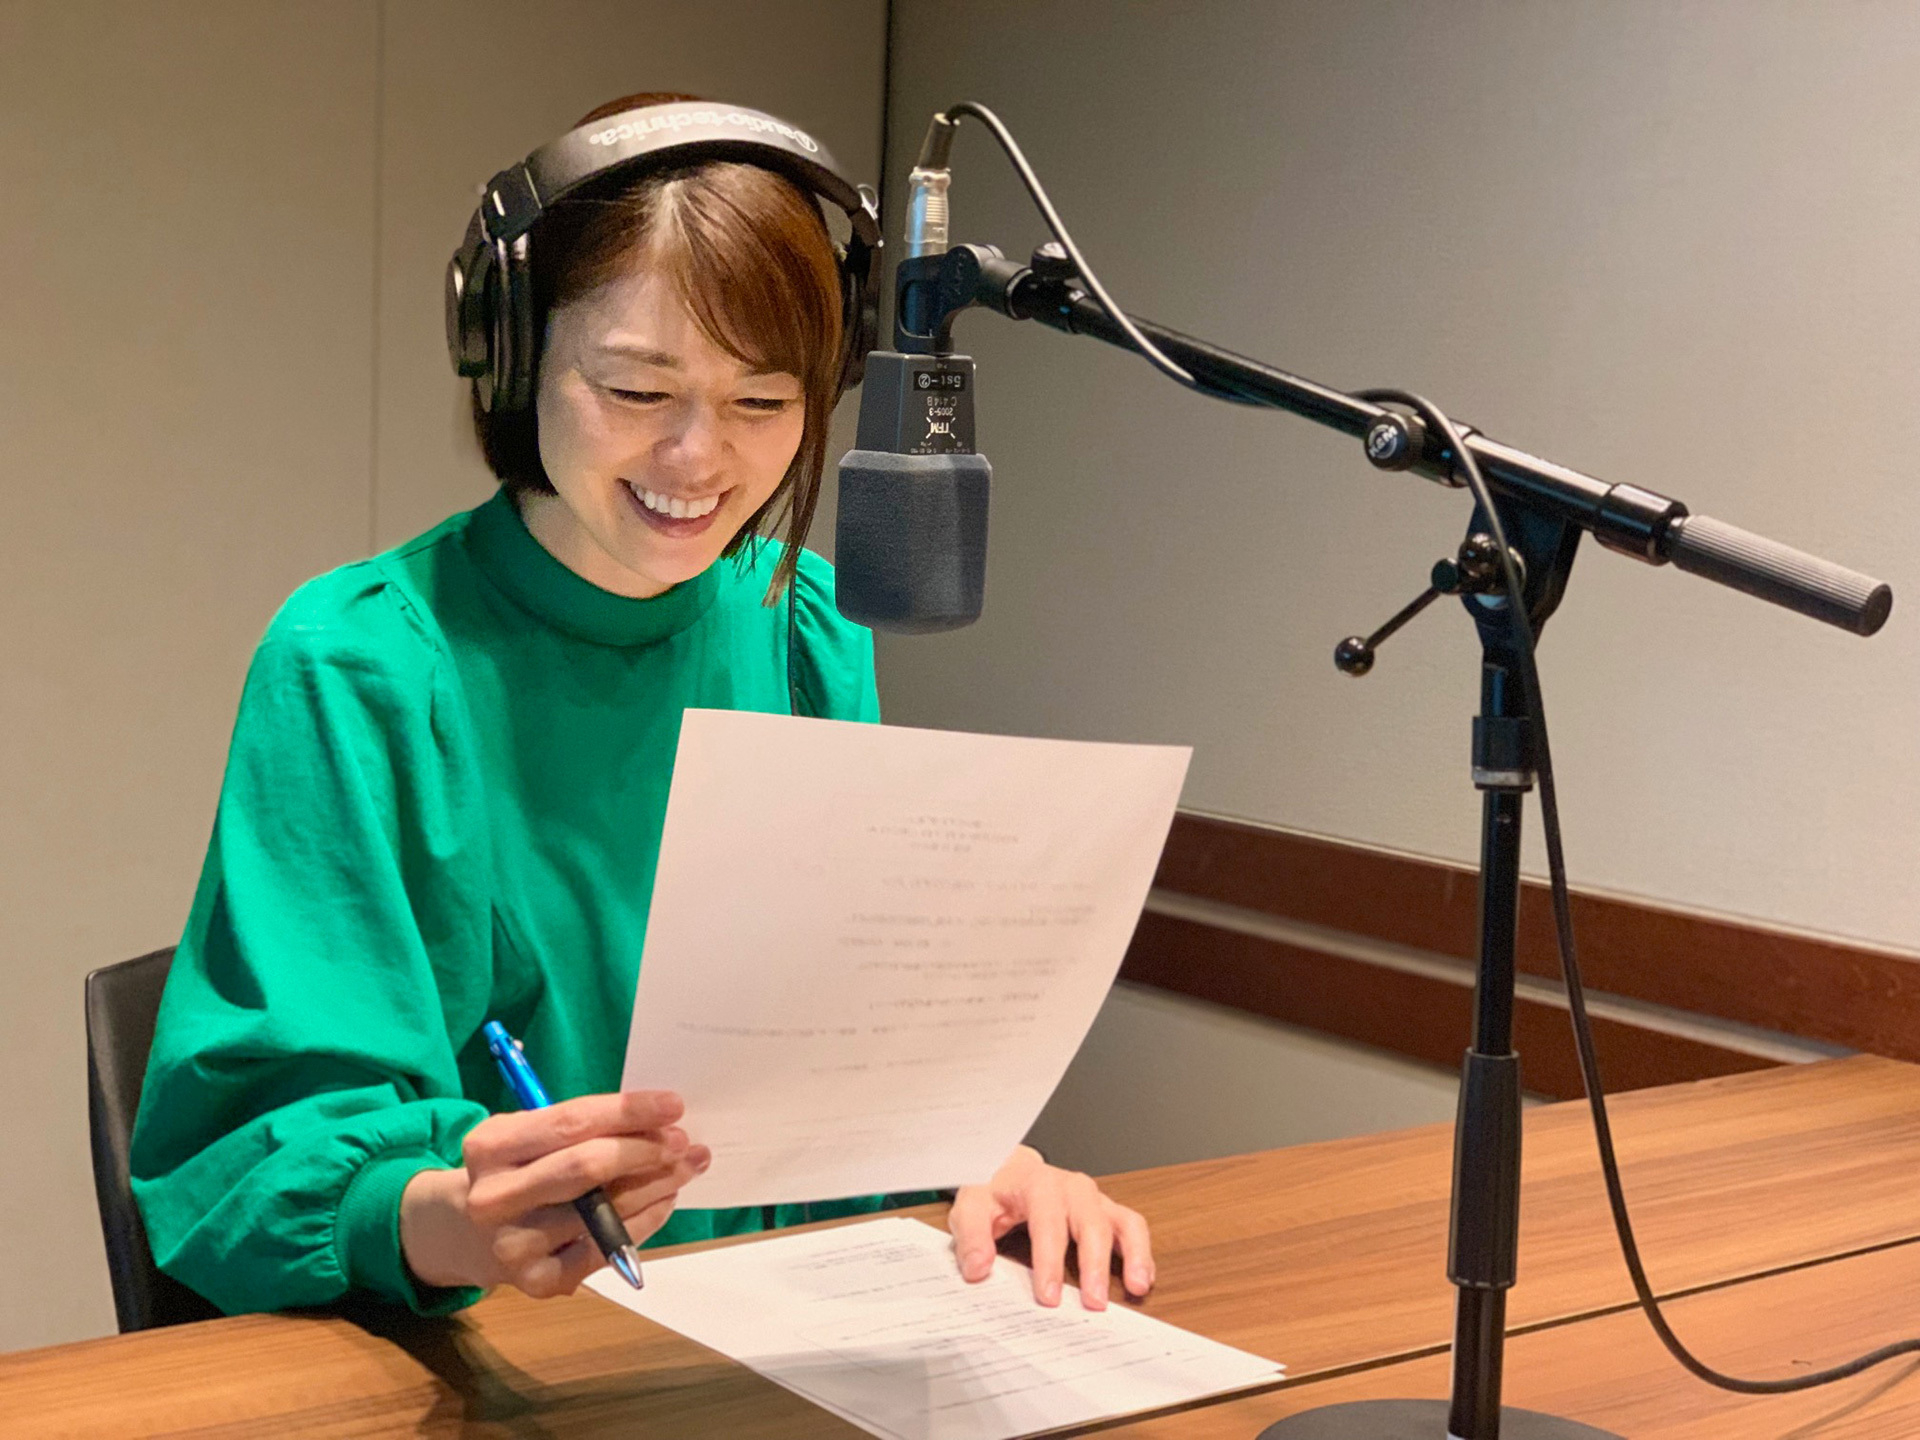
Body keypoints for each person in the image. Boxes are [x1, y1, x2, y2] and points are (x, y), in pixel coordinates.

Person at [129, 94, 1154, 1320]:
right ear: (512, 358)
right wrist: (454, 1220)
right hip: (501, 1343)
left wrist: (977, 1161)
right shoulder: (363, 664)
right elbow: (251, 1157)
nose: (699, 461)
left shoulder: (803, 628)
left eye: (763, 404)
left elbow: (841, 1047)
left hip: (774, 1325)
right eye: (634, 390)